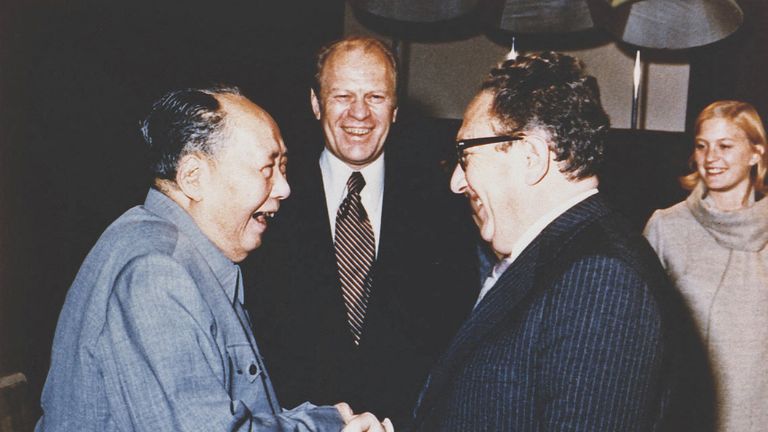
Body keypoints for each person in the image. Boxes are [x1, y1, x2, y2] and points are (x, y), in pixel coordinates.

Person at [35, 86, 391, 432]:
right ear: (193, 177)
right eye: (267, 169)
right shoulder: (156, 273)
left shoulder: (175, 251)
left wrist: (333, 420)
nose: (284, 188)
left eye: (283, 167)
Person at [411, 51, 714, 431]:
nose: (456, 181)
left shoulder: (600, 281)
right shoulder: (561, 257)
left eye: (466, 155)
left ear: (531, 157)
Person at [241, 36, 479, 428]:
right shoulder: (268, 201)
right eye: (342, 96)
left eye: (375, 97)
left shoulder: (444, 205)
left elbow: (452, 345)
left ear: (396, 109)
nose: (359, 114)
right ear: (316, 104)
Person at [644, 100, 768, 432]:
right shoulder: (666, 227)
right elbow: (642, 333)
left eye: (725, 146)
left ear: (756, 153)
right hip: (687, 413)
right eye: (702, 146)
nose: (711, 158)